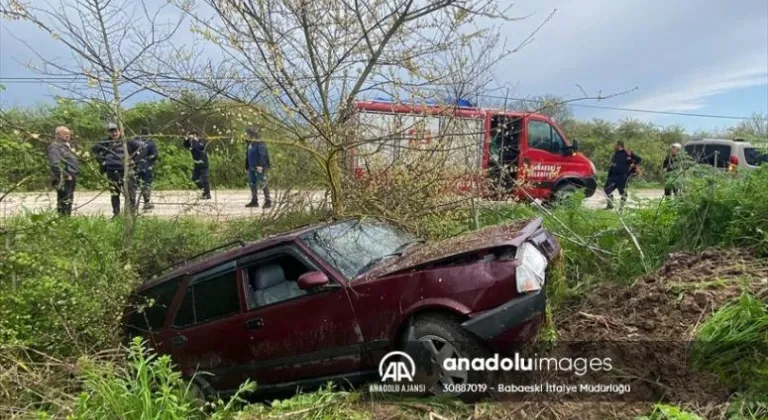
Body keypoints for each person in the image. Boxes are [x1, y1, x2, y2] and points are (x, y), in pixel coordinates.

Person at [91, 123, 138, 218]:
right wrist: (102, 161)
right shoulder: (105, 142)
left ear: (119, 131)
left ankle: (130, 215)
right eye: (111, 132)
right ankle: (116, 215)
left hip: (126, 172)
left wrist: (134, 161)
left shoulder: (127, 141)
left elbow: (141, 150)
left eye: (115, 131)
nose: (114, 133)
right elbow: (94, 150)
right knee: (114, 195)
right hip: (111, 172)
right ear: (109, 133)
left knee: (130, 194)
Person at [47, 126, 80, 216]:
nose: (68, 136)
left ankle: (67, 220)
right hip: (63, 178)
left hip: (71, 175)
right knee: (64, 200)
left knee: (69, 199)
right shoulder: (54, 147)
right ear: (57, 135)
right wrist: (66, 175)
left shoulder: (67, 146)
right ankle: (63, 220)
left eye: (68, 134)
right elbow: (55, 165)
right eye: (65, 133)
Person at [604, 140, 642, 210]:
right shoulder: (615, 154)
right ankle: (610, 205)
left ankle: (621, 208)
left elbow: (639, 159)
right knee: (606, 189)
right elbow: (614, 164)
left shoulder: (627, 152)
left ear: (619, 145)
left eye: (616, 145)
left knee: (623, 193)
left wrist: (633, 164)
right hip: (613, 176)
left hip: (623, 177)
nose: (615, 146)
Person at [245, 126, 272, 208]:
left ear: (252, 134)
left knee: (262, 182)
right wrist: (246, 167)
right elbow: (247, 155)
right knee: (252, 183)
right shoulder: (250, 143)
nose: (246, 135)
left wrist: (260, 165)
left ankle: (268, 201)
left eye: (248, 134)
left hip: (259, 167)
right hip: (251, 167)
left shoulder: (260, 142)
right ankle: (254, 201)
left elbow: (262, 154)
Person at [132, 127, 159, 210]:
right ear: (148, 133)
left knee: (134, 185)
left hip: (134, 166)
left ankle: (132, 204)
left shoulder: (133, 141)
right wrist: (147, 160)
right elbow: (155, 155)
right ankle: (146, 203)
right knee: (146, 184)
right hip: (146, 166)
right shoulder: (150, 142)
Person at [183, 130, 211, 200]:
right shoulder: (192, 143)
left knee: (205, 179)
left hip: (203, 164)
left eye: (192, 135)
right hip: (197, 165)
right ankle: (203, 189)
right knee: (195, 178)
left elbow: (197, 147)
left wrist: (195, 140)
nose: (191, 137)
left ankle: (208, 194)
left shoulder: (201, 142)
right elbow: (186, 145)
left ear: (196, 135)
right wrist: (186, 139)